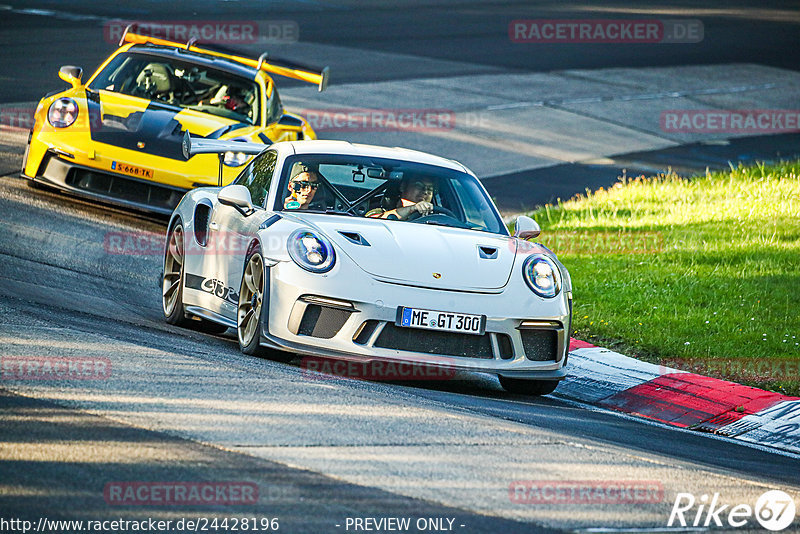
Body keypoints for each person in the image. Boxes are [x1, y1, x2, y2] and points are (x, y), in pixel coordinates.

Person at [368, 177, 435, 219]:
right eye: (419, 186)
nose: (425, 191)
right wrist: (412, 208)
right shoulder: (381, 211)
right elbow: (372, 222)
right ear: (403, 187)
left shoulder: (435, 218)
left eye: (430, 189)